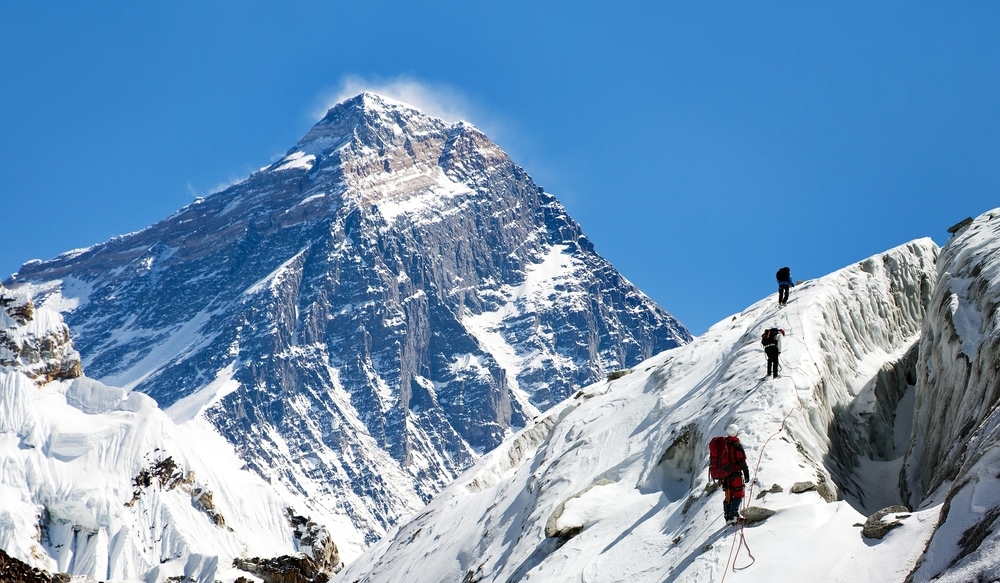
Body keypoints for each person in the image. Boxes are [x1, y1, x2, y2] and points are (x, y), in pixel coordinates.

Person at [719, 424, 750, 525]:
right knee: (738, 493)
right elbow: (741, 460)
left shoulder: (723, 444)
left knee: (728, 494)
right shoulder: (736, 445)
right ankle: (733, 516)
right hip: (735, 474)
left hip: (724, 475)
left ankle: (727, 517)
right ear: (735, 433)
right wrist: (746, 472)